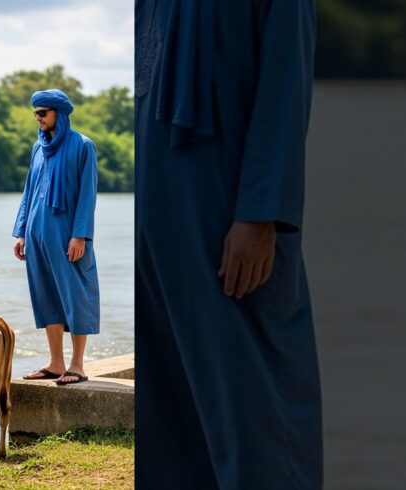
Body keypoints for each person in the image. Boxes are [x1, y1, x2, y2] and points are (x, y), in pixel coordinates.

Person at [134, 0, 323, 489]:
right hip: (155, 208)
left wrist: (260, 213)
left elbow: (287, 80)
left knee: (251, 398)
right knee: (167, 411)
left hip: (226, 210)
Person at [12, 88, 99, 386]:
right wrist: (21, 231)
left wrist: (81, 236)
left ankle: (77, 365)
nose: (37, 117)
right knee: (45, 294)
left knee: (75, 294)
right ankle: (55, 362)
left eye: (43, 113)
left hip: (67, 236)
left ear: (58, 114)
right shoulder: (38, 148)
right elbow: (29, 191)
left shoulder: (83, 146)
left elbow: (87, 195)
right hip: (37, 234)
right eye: (35, 112)